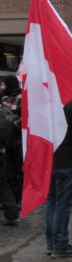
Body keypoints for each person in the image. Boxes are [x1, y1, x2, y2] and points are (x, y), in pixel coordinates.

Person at [46, 95, 72, 258]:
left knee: (52, 201)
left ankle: (51, 243)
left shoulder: (47, 100)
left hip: (49, 158)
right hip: (67, 159)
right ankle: (60, 244)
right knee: (63, 203)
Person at [0, 77, 19, 226]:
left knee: (4, 180)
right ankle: (12, 212)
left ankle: (12, 212)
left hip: (9, 145)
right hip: (5, 146)